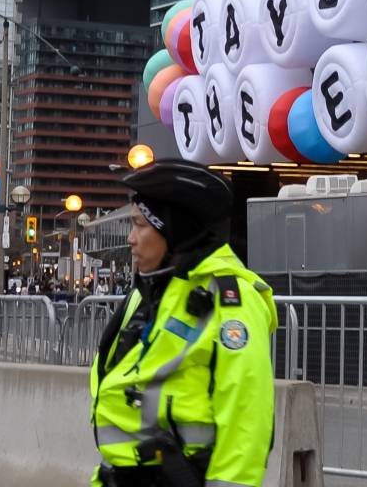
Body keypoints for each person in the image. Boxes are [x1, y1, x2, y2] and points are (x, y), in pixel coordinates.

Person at [89, 159, 278, 487]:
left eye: (140, 224)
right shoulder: (148, 291)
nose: (131, 239)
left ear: (173, 229)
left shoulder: (231, 299)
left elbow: (246, 415)